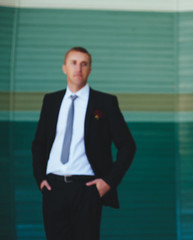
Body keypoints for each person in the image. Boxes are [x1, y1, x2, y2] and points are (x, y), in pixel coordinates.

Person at [32, 46, 136, 240]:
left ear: (90, 69)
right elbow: (38, 143)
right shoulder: (51, 101)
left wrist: (108, 182)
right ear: (64, 67)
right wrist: (40, 179)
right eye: (73, 63)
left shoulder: (105, 102)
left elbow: (127, 145)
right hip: (53, 188)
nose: (78, 68)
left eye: (84, 64)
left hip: (87, 189)